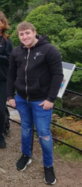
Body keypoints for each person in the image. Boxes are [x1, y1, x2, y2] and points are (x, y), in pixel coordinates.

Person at [6, 21, 63, 185]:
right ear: (18, 36)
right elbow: (11, 75)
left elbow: (57, 75)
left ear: (34, 32)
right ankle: (26, 155)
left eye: (27, 33)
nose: (25, 37)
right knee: (25, 128)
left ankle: (48, 166)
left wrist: (50, 99)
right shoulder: (16, 52)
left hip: (41, 101)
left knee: (44, 134)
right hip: (22, 99)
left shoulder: (49, 50)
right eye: (21, 34)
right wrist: (10, 95)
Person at [0, 12, 13, 148]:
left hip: (2, 80)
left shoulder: (6, 41)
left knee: (0, 110)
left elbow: (11, 60)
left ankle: (1, 135)